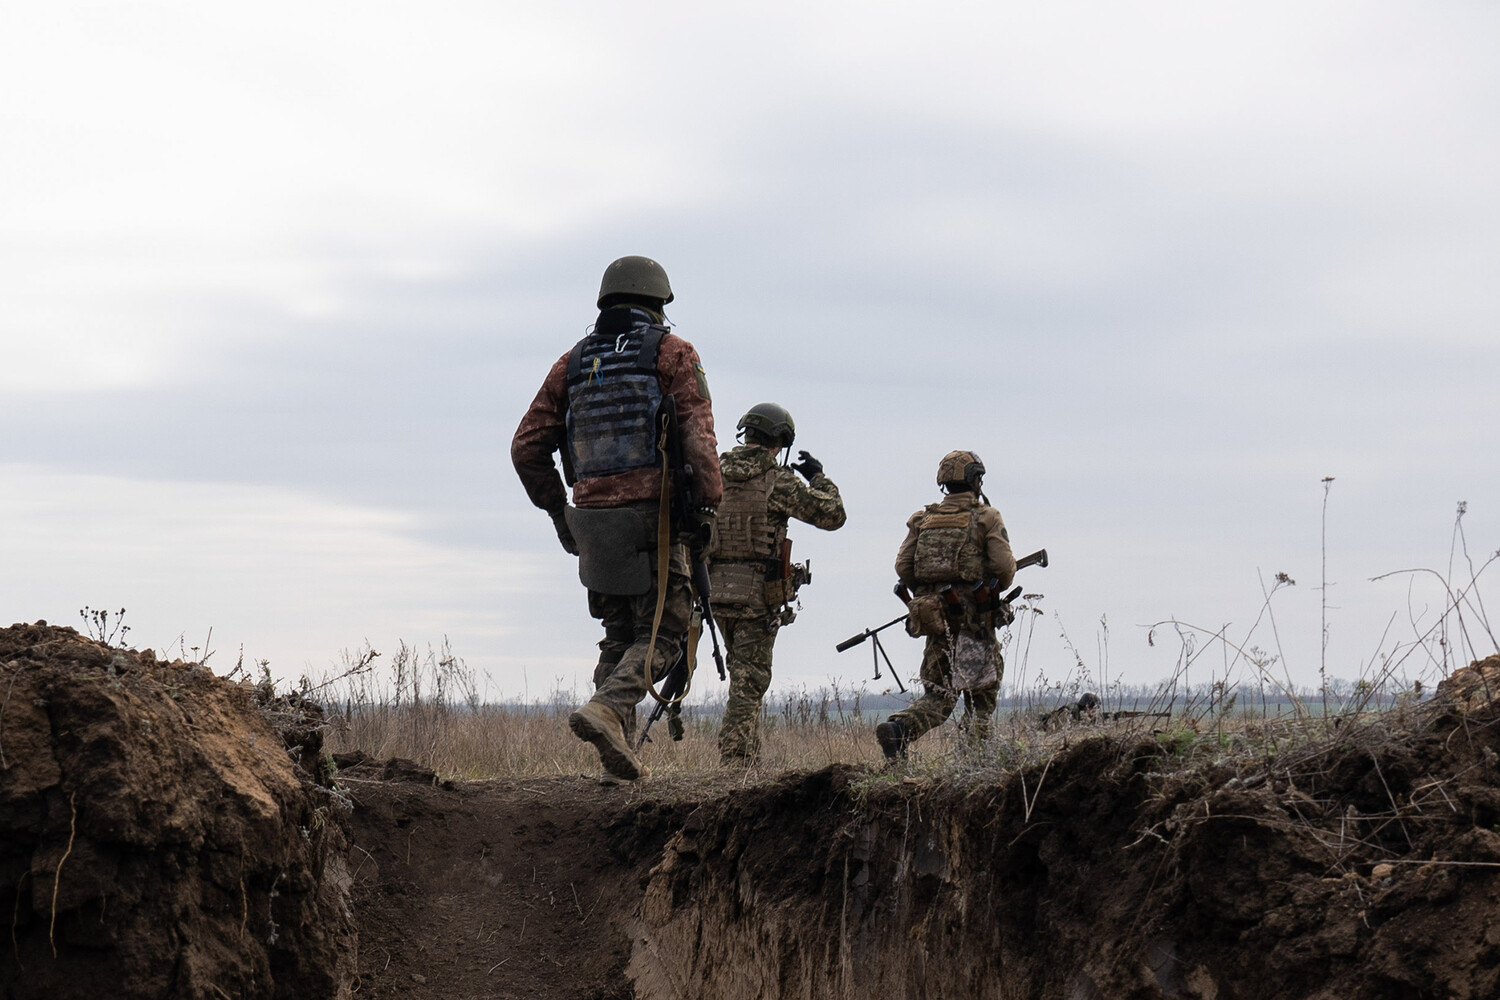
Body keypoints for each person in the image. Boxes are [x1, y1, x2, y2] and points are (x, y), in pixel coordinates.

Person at [511, 255, 721, 781]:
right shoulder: (673, 353)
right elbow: (699, 442)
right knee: (666, 635)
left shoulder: (572, 363)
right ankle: (606, 710)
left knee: (618, 635)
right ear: (658, 305)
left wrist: (563, 515)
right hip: (655, 523)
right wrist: (708, 505)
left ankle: (615, 760)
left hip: (595, 526)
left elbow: (526, 448)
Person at [709, 403, 846, 765]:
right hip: (755, 596)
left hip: (713, 593)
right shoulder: (778, 480)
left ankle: (746, 762)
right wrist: (818, 476)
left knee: (742, 674)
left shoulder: (713, 475)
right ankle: (734, 759)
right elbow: (833, 515)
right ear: (779, 441)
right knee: (749, 681)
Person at [875, 450, 1015, 760]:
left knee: (938, 697)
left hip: (936, 621)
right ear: (976, 480)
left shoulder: (921, 519)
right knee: (981, 697)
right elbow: (1005, 570)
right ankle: (975, 760)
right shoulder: (986, 517)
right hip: (975, 623)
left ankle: (899, 729)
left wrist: (931, 594)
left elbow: (903, 568)